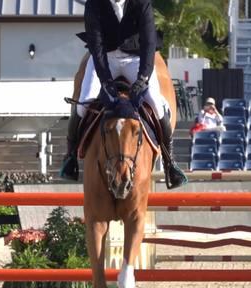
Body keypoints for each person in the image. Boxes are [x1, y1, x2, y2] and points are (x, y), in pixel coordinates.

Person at [60, 0, 187, 189]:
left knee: (156, 105)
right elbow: (96, 44)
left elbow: (149, 42)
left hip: (135, 58)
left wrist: (143, 78)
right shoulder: (94, 4)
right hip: (105, 59)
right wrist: (105, 81)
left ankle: (170, 163)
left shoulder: (141, 3)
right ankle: (70, 158)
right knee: (82, 104)